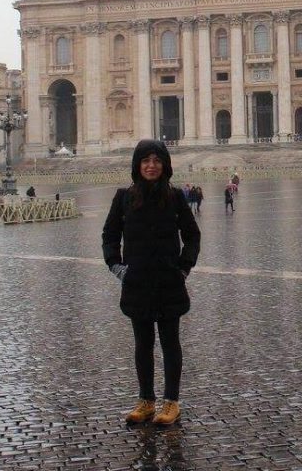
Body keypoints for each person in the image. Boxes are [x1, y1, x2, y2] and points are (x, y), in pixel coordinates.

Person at [102, 140, 201, 427]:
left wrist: (183, 267)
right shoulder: (124, 197)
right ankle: (146, 400)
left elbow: (192, 235)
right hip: (137, 281)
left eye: (156, 160)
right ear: (137, 165)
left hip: (169, 280)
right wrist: (116, 266)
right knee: (142, 344)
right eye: (145, 160)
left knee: (171, 343)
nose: (151, 165)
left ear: (165, 165)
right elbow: (109, 235)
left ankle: (171, 402)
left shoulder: (176, 197)